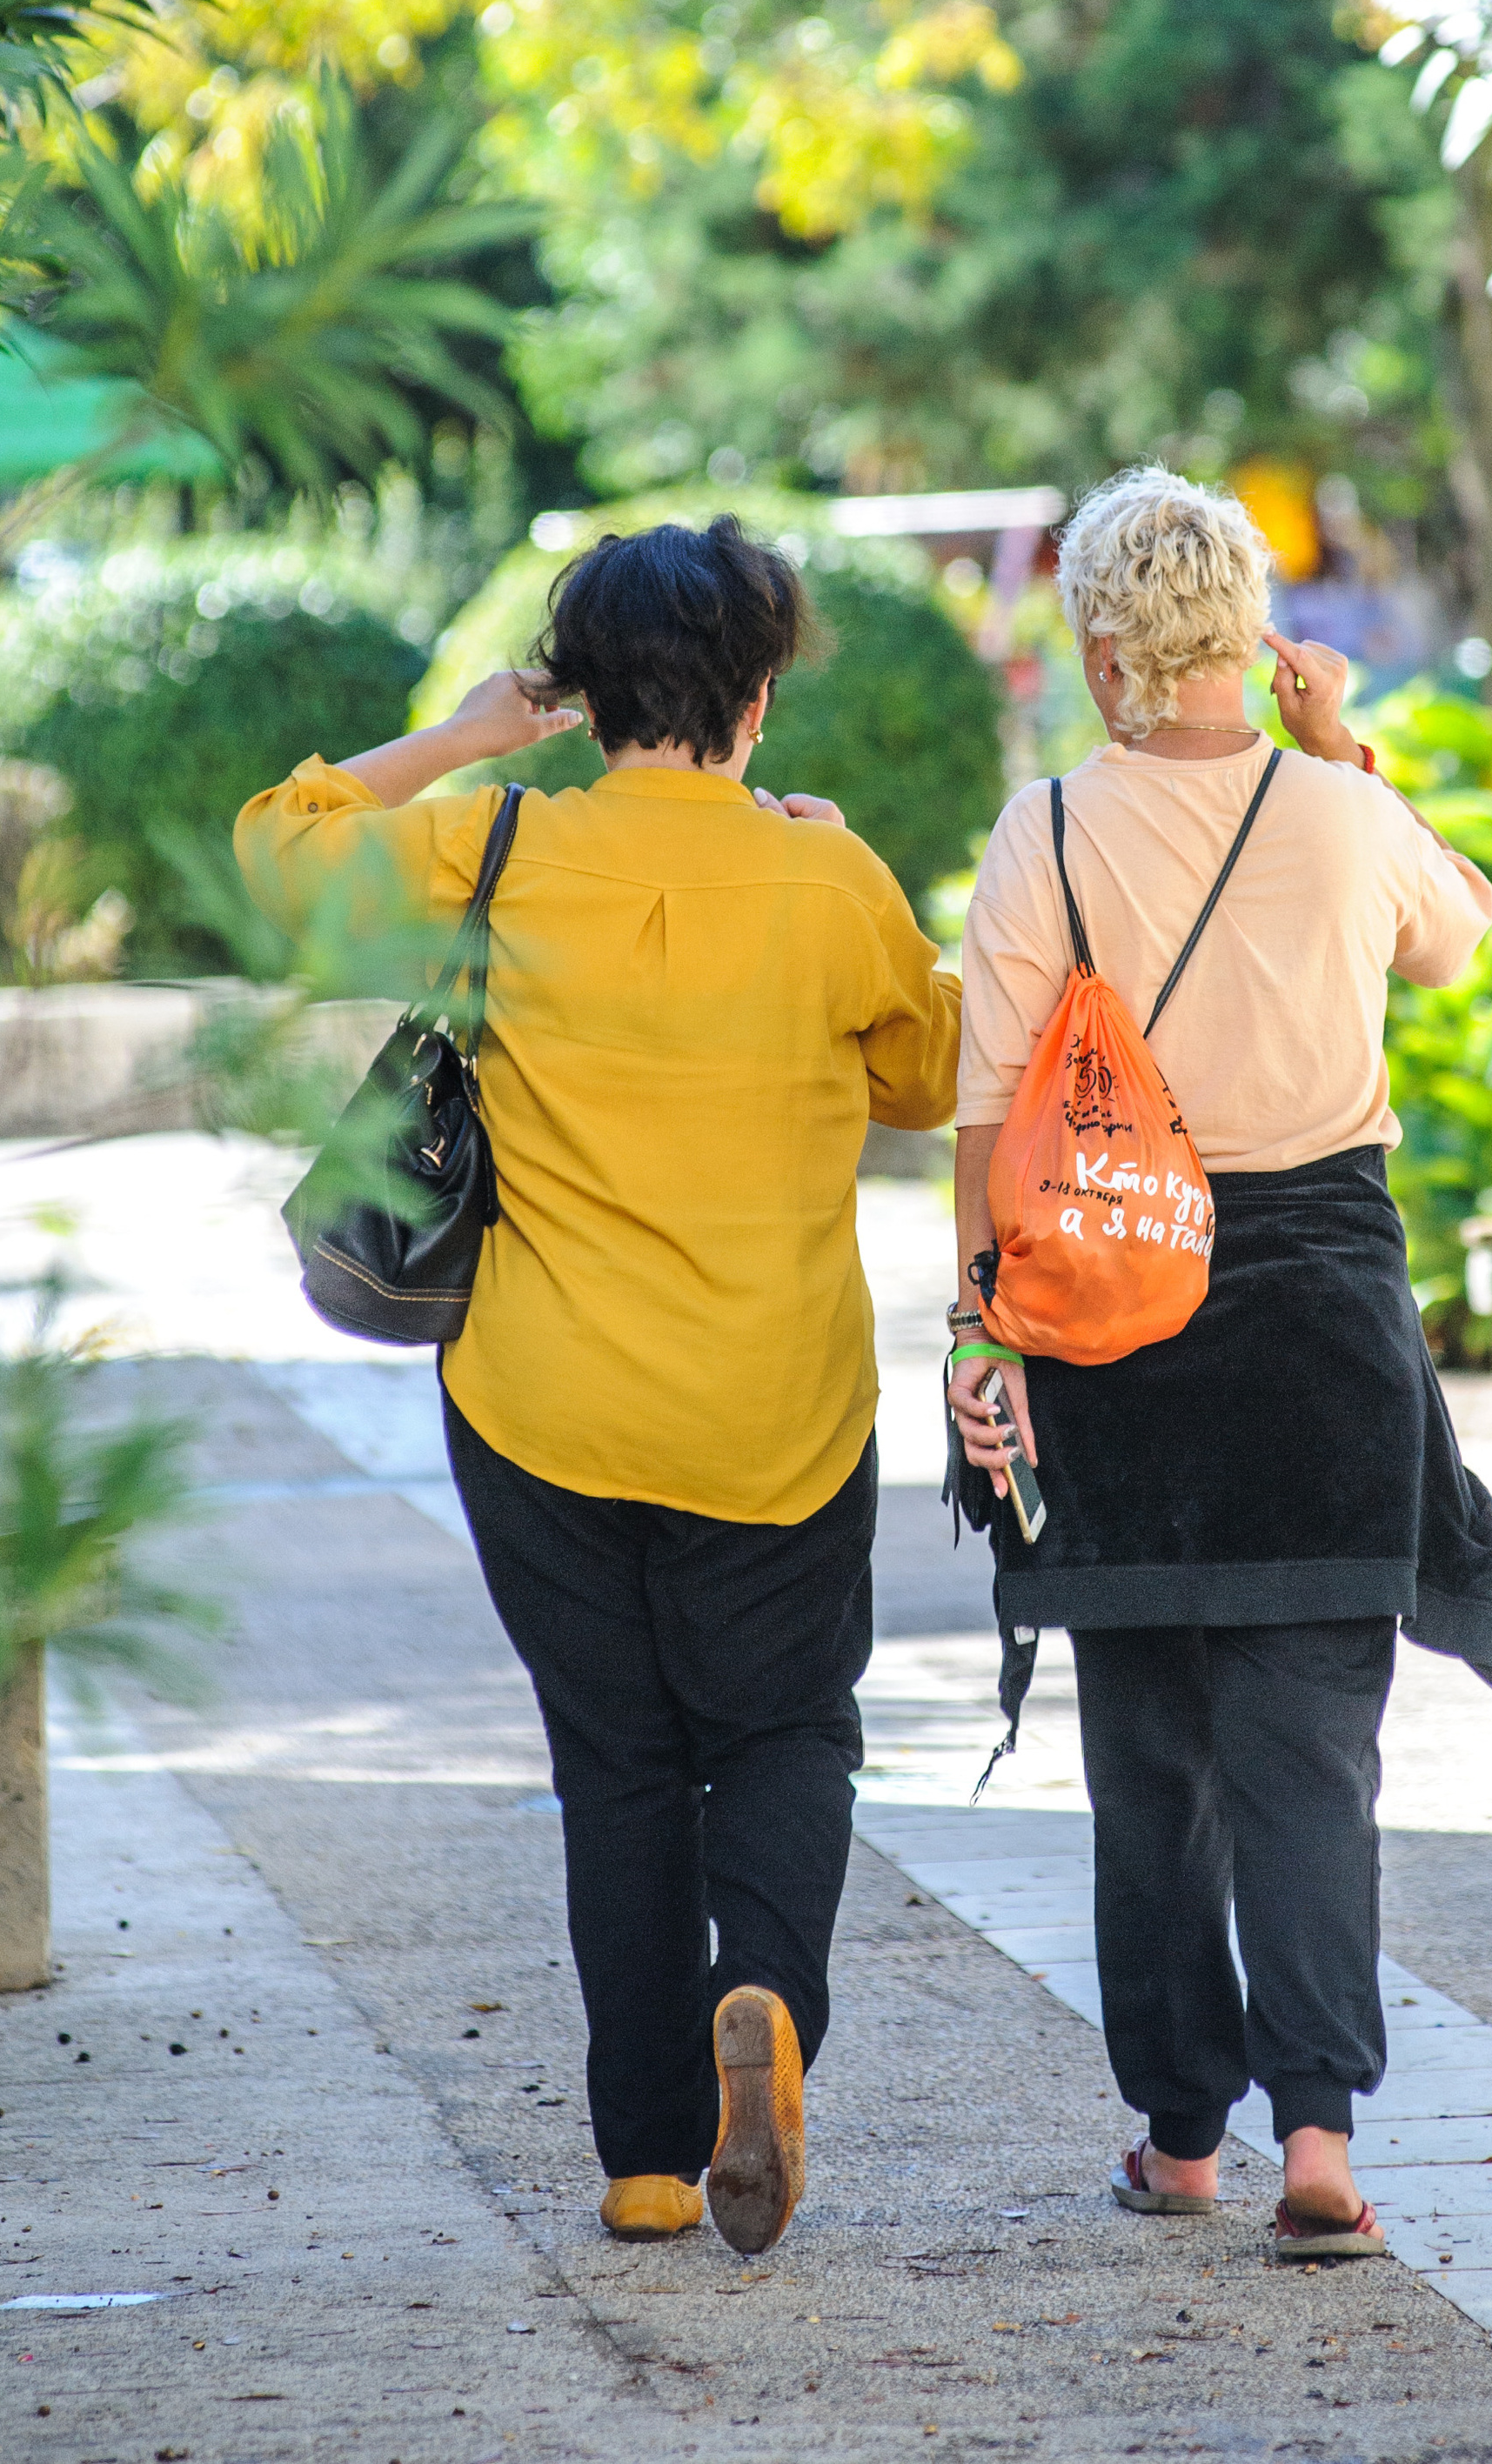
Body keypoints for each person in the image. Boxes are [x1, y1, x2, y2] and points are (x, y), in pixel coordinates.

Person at [236, 517, 960, 2258]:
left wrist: (477, 733)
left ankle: (644, 2158)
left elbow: (279, 853)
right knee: (784, 1729)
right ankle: (767, 1995)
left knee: (616, 1760)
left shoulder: (493, 843)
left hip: (542, 1408)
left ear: (582, 685)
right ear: (759, 693)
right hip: (773, 1410)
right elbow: (931, 1073)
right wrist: (857, 873)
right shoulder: (822, 883)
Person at [947, 464, 1492, 2264]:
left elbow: (989, 1117)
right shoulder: (1346, 820)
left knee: (1148, 1762)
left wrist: (978, 1330)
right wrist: (1345, 744)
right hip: (1321, 1327)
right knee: (1310, 1759)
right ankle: (1320, 2141)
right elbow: (1460, 932)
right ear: (1249, 636)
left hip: (1112, 1325)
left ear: (1107, 643)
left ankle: (1179, 2136)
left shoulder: (1042, 830)